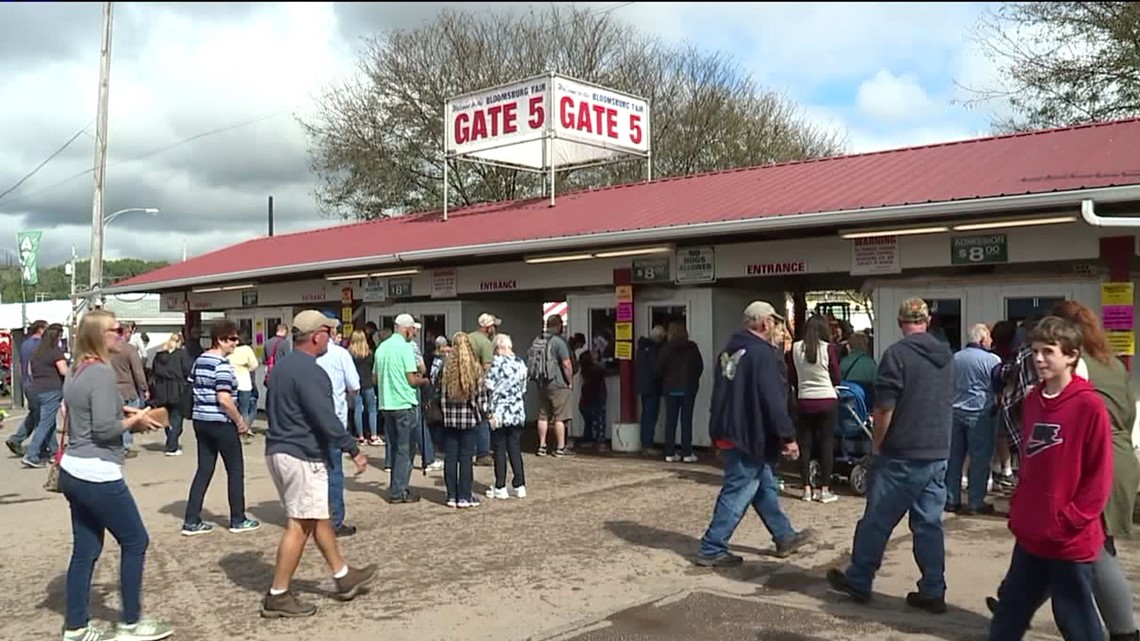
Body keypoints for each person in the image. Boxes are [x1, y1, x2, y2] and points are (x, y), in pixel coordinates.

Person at [987, 302, 1140, 641]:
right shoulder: (1040, 396)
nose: (1038, 359)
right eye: (1035, 351)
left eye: (1047, 351)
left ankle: (1125, 631)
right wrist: (1022, 510)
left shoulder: (1087, 402)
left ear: (1072, 352)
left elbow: (1096, 478)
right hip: (1041, 522)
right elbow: (1032, 454)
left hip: (1077, 507)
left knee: (1082, 588)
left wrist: (1068, 519)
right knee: (1016, 605)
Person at [827, 298, 954, 613]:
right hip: (937, 451)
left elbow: (884, 408)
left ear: (900, 321)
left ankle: (859, 578)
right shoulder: (947, 357)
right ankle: (933, 589)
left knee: (877, 520)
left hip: (902, 451)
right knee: (928, 524)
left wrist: (877, 446)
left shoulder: (897, 355)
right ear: (928, 321)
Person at [58, 309, 171, 641]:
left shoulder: (77, 369)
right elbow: (105, 429)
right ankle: (131, 623)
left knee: (86, 549)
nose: (122, 334)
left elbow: (81, 408)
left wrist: (125, 411)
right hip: (97, 472)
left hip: (73, 470)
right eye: (116, 330)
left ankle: (76, 626)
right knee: (136, 540)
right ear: (98, 335)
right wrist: (135, 421)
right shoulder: (103, 373)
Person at [261, 310, 375, 618]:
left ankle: (343, 576)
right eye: (329, 332)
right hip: (302, 454)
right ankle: (278, 594)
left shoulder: (283, 367)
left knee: (318, 517)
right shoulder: (312, 371)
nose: (333, 337)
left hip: (278, 449)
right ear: (317, 336)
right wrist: (353, 448)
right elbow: (324, 417)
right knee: (299, 525)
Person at [696, 301, 811, 567]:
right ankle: (712, 547)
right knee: (738, 490)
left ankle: (784, 535)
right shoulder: (763, 354)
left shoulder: (728, 351)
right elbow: (773, 399)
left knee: (764, 487)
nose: (775, 326)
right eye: (773, 321)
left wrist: (715, 431)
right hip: (750, 434)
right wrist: (788, 436)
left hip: (729, 428)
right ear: (764, 322)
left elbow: (720, 393)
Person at [181, 320, 259, 536]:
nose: (235, 343)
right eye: (232, 339)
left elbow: (192, 385)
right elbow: (224, 399)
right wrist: (240, 421)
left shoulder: (200, 360)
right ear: (221, 340)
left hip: (200, 421)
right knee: (235, 470)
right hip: (221, 422)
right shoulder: (223, 365)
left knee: (204, 470)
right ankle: (238, 518)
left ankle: (191, 519)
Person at [945, 323, 1002, 515]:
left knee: (954, 458)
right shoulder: (992, 360)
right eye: (989, 338)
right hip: (980, 412)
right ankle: (975, 501)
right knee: (979, 459)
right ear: (982, 339)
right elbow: (998, 385)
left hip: (955, 411)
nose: (991, 341)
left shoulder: (955, 358)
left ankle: (951, 499)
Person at [375, 314, 430, 504]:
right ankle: (399, 491)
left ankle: (396, 486)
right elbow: (411, 379)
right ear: (406, 329)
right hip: (404, 403)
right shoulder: (405, 348)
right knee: (405, 449)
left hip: (386, 403)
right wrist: (424, 381)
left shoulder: (382, 347)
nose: (414, 334)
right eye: (413, 330)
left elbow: (375, 377)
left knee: (395, 447)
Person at [788, 314, 841, 503]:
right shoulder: (828, 349)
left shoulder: (795, 349)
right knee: (826, 443)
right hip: (827, 399)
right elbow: (836, 375)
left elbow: (792, 377)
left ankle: (806, 489)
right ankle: (824, 490)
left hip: (804, 400)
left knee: (805, 445)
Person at [437, 332, 491, 508]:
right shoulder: (475, 368)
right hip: (469, 419)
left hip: (449, 420)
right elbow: (482, 397)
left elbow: (437, 390)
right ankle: (465, 496)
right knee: (466, 458)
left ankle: (452, 495)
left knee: (450, 458)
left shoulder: (445, 368)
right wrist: (484, 412)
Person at [316, 324, 360, 538]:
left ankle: (311, 520)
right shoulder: (341, 354)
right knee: (334, 471)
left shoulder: (303, 355)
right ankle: (334, 522)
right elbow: (354, 386)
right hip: (335, 421)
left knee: (312, 473)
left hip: (309, 424)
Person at [485, 333, 527, 500]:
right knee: (515, 448)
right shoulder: (520, 363)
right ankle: (520, 484)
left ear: (498, 347)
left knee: (499, 449)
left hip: (499, 412)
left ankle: (500, 486)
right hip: (517, 410)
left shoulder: (496, 363)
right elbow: (523, 388)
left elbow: (488, 385)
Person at [655, 320, 703, 463]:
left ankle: (670, 452)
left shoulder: (666, 349)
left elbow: (658, 370)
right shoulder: (692, 347)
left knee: (671, 420)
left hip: (670, 388)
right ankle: (687, 453)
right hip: (688, 389)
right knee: (686, 420)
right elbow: (699, 367)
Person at [22, 322, 68, 468]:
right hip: (52, 389)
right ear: (58, 336)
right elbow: (64, 371)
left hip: (37, 388)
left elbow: (29, 371)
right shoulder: (55, 350)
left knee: (48, 422)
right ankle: (32, 454)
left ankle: (54, 451)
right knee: (45, 423)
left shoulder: (37, 351)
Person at [531, 314, 574, 458]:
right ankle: (560, 448)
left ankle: (542, 446)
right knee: (560, 417)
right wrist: (570, 381)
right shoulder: (559, 342)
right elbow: (566, 364)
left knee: (543, 415)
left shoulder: (538, 340)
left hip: (541, 382)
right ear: (559, 325)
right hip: (557, 383)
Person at [6, 319, 47, 457]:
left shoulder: (25, 344)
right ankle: (48, 448)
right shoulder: (39, 345)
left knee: (35, 414)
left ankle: (17, 439)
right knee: (44, 417)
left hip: (27, 383)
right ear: (40, 329)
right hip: (37, 383)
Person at [150, 334, 192, 456]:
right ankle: (172, 446)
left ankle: (170, 441)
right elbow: (188, 370)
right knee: (177, 417)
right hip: (177, 388)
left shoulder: (159, 356)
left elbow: (154, 372)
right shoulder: (181, 354)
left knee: (167, 418)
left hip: (161, 389)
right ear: (179, 342)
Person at [635, 325, 666, 455]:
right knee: (651, 416)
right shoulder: (654, 350)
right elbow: (656, 369)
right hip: (653, 386)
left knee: (645, 415)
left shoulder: (642, 348)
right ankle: (647, 444)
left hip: (643, 386)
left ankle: (645, 443)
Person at [348, 330, 378, 446]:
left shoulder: (349, 354)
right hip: (368, 383)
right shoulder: (369, 354)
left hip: (355, 384)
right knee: (372, 410)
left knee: (358, 409)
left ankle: (360, 436)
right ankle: (374, 435)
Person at [578, 350, 608, 451]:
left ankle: (588, 441)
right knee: (600, 423)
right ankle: (600, 443)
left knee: (589, 423)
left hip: (585, 403)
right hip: (597, 401)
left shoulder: (585, 371)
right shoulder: (596, 370)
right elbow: (605, 369)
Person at [228, 336, 260, 431]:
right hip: (244, 383)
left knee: (233, 409)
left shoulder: (230, 349)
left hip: (232, 383)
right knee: (245, 409)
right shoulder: (247, 349)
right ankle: (244, 429)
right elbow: (254, 365)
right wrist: (247, 368)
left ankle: (235, 428)